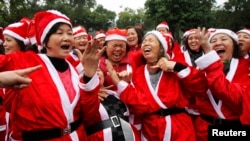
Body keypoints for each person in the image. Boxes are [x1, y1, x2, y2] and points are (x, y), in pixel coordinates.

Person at [0, 9, 102, 141]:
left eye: (70, 33)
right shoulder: (23, 61)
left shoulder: (75, 68)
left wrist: (89, 75)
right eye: (59, 33)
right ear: (45, 40)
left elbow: (90, 114)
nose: (66, 37)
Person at [106, 30, 207, 141]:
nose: (146, 43)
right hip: (151, 129)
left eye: (151, 40)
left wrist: (179, 67)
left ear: (161, 48)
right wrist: (119, 83)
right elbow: (140, 103)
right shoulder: (139, 73)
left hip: (179, 127)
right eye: (144, 41)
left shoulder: (174, 66)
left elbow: (200, 87)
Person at [193, 28, 250, 141]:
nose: (218, 42)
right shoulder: (201, 68)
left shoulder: (246, 68)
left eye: (223, 39)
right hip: (204, 128)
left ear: (234, 46)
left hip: (234, 130)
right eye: (213, 41)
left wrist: (210, 57)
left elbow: (235, 99)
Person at [83, 67, 141, 141]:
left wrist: (124, 83)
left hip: (128, 136)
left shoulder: (116, 94)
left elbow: (141, 106)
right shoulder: (82, 100)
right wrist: (89, 95)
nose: (96, 74)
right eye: (91, 72)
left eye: (98, 70)